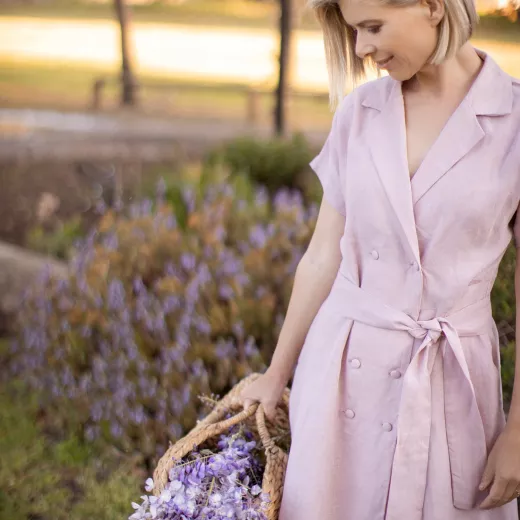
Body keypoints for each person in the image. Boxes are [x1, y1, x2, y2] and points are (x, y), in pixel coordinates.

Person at [239, 0, 520, 517]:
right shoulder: (359, 113)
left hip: (451, 385)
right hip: (343, 369)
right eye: (354, 33)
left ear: (433, 7)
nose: (362, 49)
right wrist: (276, 376)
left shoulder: (516, 122)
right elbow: (323, 255)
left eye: (372, 27)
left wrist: (519, 433)